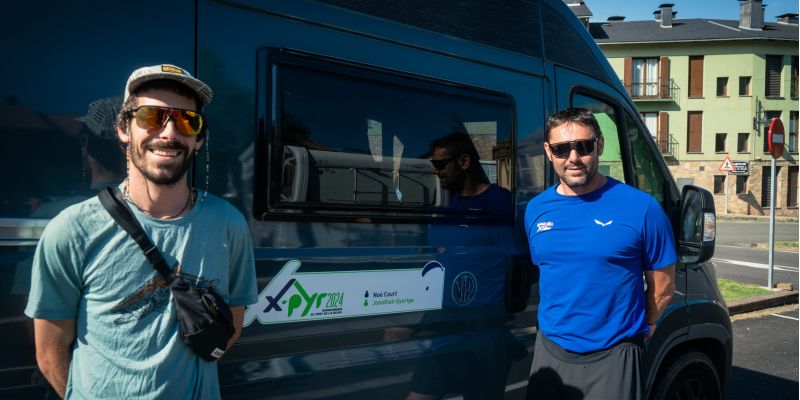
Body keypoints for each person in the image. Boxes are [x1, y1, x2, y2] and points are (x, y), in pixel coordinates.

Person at [24, 64, 258, 399]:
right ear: (124, 128)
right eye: (152, 117)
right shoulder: (72, 229)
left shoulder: (229, 224)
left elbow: (231, 324)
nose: (169, 133)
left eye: (187, 121)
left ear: (198, 139)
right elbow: (50, 354)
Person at [524, 108, 677, 400]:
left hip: (614, 357)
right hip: (550, 352)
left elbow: (663, 287)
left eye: (583, 146)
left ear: (600, 145)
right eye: (561, 149)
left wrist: (646, 323)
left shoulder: (642, 208)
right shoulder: (536, 209)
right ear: (548, 151)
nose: (573, 157)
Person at [400, 132, 520, 400]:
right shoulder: (446, 213)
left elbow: (517, 263)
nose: (436, 171)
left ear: (464, 162)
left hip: (485, 333)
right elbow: (440, 276)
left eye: (440, 164)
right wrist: (415, 325)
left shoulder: (500, 203)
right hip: (447, 328)